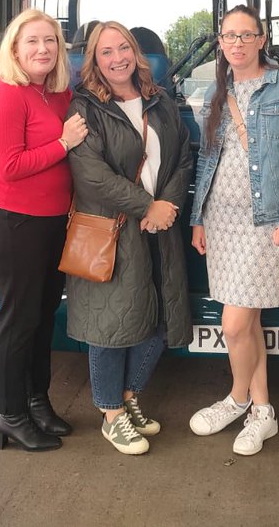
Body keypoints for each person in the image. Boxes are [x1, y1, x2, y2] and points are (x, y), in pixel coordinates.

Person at [188, 4, 279, 456]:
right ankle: (263, 411)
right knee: (251, 320)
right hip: (221, 221)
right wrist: (197, 218)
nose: (237, 43)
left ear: (263, 39)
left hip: (265, 222)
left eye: (246, 35)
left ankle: (236, 398)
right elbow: (207, 157)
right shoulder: (214, 90)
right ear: (220, 43)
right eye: (228, 36)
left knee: (235, 324)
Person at [65, 22, 194, 455]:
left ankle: (127, 397)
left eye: (124, 48)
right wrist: (147, 207)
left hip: (159, 227)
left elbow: (183, 158)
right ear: (94, 62)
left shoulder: (161, 101)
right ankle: (111, 415)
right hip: (116, 230)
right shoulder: (84, 109)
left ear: (136, 53)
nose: (117, 57)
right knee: (110, 326)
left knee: (157, 320)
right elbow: (91, 175)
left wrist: (168, 206)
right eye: (106, 51)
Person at [0, 9, 88, 452]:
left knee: (43, 318)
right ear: (15, 49)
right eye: (32, 42)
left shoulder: (57, 93)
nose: (42, 49)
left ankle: (37, 400)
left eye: (50, 41)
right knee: (18, 320)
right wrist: (62, 144)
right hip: (14, 223)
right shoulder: (5, 94)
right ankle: (10, 413)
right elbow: (7, 167)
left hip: (50, 222)